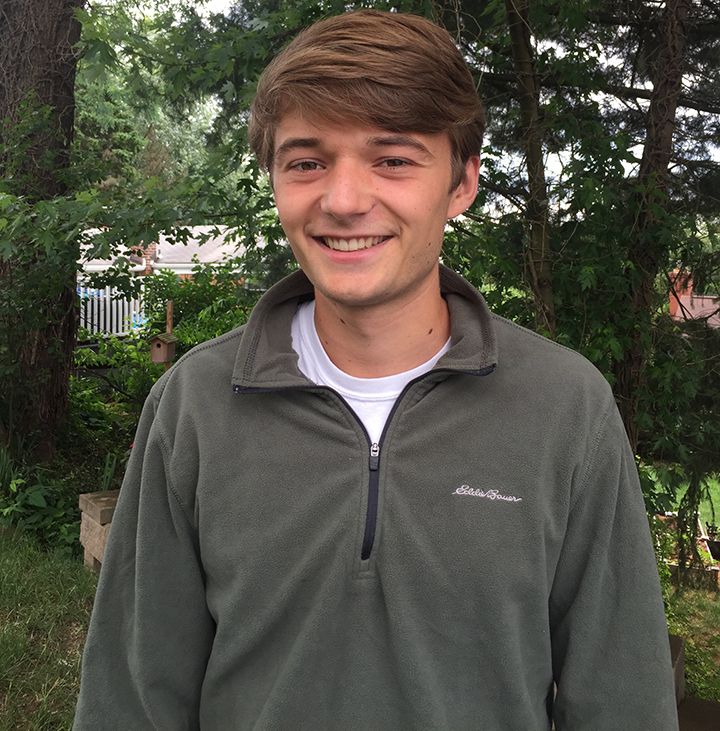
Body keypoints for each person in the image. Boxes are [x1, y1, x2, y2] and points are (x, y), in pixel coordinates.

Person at [73, 10, 679, 731]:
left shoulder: (566, 409)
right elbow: (132, 699)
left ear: (462, 183)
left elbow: (623, 701)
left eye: (392, 159)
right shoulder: (196, 405)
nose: (343, 200)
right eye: (307, 162)